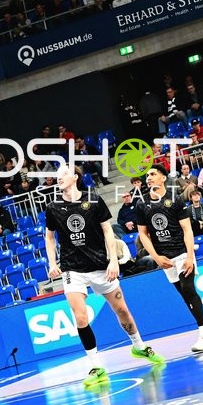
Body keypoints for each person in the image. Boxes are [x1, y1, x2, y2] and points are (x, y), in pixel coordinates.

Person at [45, 165, 164, 387]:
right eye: (57, 175)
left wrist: (112, 261)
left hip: (100, 266)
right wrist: (52, 263)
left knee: (122, 310)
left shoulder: (94, 200)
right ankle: (96, 367)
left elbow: (108, 230)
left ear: (74, 177)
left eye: (63, 174)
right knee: (80, 317)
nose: (58, 178)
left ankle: (139, 347)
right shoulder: (53, 207)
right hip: (72, 270)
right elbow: (49, 237)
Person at [137, 165, 203, 352]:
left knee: (188, 289)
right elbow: (143, 234)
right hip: (164, 258)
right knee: (184, 295)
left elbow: (187, 229)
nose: (148, 178)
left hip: (182, 253)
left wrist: (190, 256)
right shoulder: (142, 204)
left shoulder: (175, 199)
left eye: (153, 174)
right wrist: (156, 257)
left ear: (163, 178)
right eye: (147, 175)